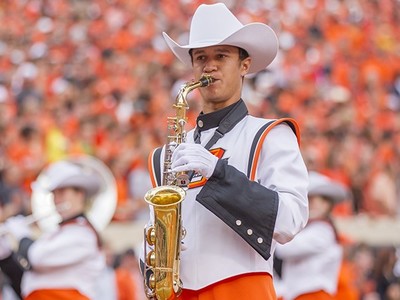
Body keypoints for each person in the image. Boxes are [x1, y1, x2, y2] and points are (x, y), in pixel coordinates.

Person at [143, 3, 309, 299]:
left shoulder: (270, 135)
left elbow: (291, 221)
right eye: (201, 58)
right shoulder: (166, 154)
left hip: (242, 290)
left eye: (221, 56)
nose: (209, 66)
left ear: (244, 65)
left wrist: (220, 174)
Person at [0, 159, 106, 300]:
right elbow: (27, 284)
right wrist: (6, 257)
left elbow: (35, 257)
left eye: (62, 192)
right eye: (54, 194)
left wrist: (22, 236)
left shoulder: (83, 234)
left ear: (79, 194)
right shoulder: (56, 234)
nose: (56, 200)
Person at [274, 171, 350, 300]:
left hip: (313, 295)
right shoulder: (314, 228)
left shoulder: (323, 231)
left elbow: (284, 248)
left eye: (314, 199)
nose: (310, 204)